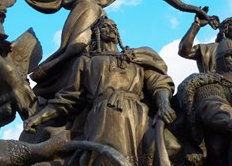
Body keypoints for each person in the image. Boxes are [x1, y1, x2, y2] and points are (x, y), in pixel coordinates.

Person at [23, 16, 177, 166]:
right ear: (96, 34)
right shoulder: (87, 61)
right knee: (106, 158)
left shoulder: (135, 57)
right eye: (105, 26)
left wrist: (164, 104)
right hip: (104, 116)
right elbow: (69, 98)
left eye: (113, 26)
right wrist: (38, 118)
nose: (110, 28)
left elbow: (158, 82)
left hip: (138, 115)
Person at [2, 0, 145, 97]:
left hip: (100, 15)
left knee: (101, 48)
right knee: (77, 46)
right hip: (82, 10)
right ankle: (49, 70)